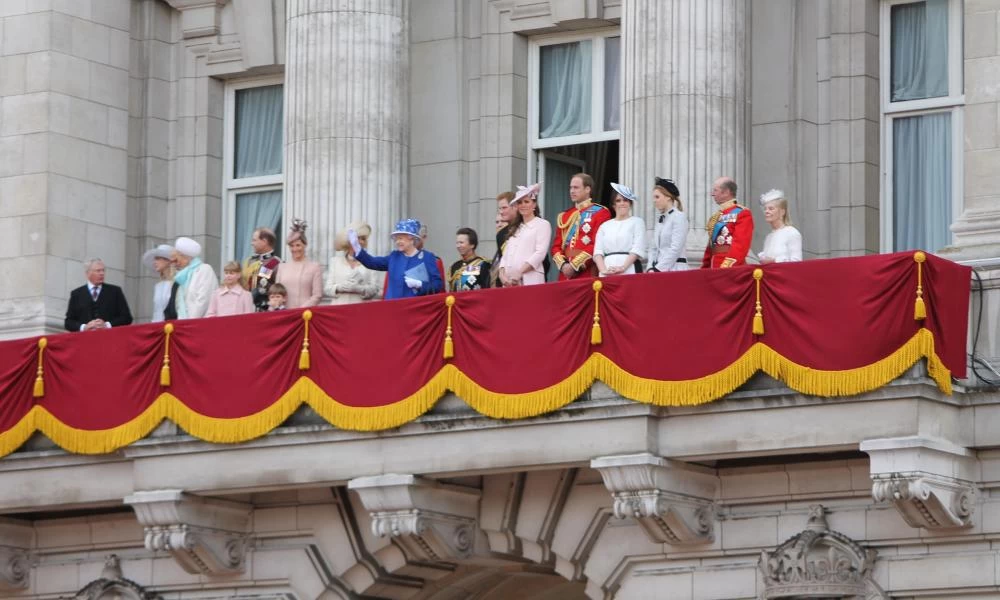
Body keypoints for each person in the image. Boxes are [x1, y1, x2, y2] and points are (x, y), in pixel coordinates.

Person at [350, 218, 444, 300]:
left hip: (415, 310)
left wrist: (420, 284)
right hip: (393, 308)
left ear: (412, 239)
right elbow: (372, 262)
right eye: (396, 239)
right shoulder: (394, 256)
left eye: (401, 238)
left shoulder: (427, 257)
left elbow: (437, 285)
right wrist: (357, 248)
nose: (398, 242)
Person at [551, 173, 612, 280]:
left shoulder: (601, 212)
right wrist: (563, 265)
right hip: (564, 274)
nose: (572, 191)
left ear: (587, 189)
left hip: (587, 272)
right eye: (570, 188)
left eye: (576, 187)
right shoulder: (565, 216)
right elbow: (556, 246)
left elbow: (597, 244)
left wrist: (575, 265)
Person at [498, 183, 551, 286]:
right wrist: (502, 275)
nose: (523, 205)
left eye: (527, 202)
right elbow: (505, 255)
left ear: (534, 204)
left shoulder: (542, 224)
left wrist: (520, 272)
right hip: (509, 283)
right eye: (520, 202)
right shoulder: (515, 227)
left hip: (530, 280)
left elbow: (540, 253)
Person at [64, 258, 133, 332]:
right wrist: (85, 327)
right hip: (85, 340)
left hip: (109, 339)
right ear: (88, 273)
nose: (102, 273)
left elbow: (127, 318)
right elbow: (68, 322)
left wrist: (107, 325)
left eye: (103, 270)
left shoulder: (115, 291)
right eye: (98, 271)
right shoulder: (76, 294)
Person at [593, 183, 646, 276]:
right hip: (607, 271)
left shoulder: (638, 222)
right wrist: (603, 270)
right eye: (618, 200)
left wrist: (623, 268)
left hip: (629, 270)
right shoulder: (604, 226)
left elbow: (637, 249)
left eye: (625, 200)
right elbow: (598, 252)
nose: (622, 203)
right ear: (613, 204)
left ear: (630, 203)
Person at [702, 176, 754, 269]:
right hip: (713, 266)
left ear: (726, 192)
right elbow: (711, 245)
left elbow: (740, 245)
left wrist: (727, 266)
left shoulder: (742, 213)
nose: (712, 194)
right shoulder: (717, 216)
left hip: (730, 267)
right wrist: (705, 267)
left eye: (715, 190)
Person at [325, 224, 381, 305]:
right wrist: (339, 288)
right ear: (348, 241)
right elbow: (327, 289)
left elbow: (375, 288)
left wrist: (360, 289)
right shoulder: (335, 262)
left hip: (361, 310)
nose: (361, 241)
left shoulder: (370, 262)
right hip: (339, 309)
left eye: (364, 239)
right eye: (358, 238)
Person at [276, 219, 323, 308]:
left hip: (305, 315)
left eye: (298, 245)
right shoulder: (282, 267)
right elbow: (277, 292)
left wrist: (301, 310)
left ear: (305, 245)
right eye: (291, 246)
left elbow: (317, 295)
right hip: (285, 313)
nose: (295, 249)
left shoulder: (314, 267)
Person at [648, 177, 689, 272]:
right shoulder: (660, 219)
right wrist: (650, 267)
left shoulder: (679, 217)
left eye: (657, 197)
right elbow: (653, 248)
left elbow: (675, 248)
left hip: (675, 269)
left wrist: (658, 269)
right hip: (657, 271)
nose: (654, 200)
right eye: (654, 197)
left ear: (668, 197)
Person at [172, 237, 217, 319]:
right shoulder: (182, 276)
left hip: (199, 324)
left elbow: (203, 300)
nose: (175, 262)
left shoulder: (204, 269)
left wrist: (190, 322)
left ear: (185, 257)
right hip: (184, 325)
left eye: (176, 258)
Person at [757, 189, 804, 263]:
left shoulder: (792, 233)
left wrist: (774, 261)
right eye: (765, 209)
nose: (766, 211)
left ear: (782, 212)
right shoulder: (769, 237)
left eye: (771, 209)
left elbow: (797, 262)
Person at [243, 227, 281, 312]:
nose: (252, 243)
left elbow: (279, 291)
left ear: (264, 241)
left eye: (254, 240)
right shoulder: (250, 261)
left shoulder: (276, 263)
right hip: (246, 310)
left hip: (265, 311)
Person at [142, 243, 175, 322]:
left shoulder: (176, 284)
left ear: (167, 261)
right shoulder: (158, 286)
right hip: (157, 326)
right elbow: (156, 311)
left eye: (157, 259)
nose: (154, 262)